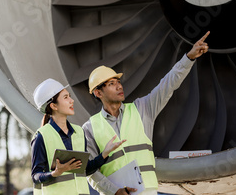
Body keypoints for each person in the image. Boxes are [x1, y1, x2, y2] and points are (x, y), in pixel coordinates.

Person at [83, 31, 210, 195]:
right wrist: (114, 191)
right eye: (111, 84)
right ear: (98, 93)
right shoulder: (90, 128)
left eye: (119, 82)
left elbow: (168, 84)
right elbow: (89, 171)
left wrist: (189, 58)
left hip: (147, 191)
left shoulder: (142, 109)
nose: (119, 86)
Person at [32, 78, 137, 195]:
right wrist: (55, 173)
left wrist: (104, 154)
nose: (72, 101)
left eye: (70, 96)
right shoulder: (41, 136)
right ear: (54, 106)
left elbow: (86, 170)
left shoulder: (79, 132)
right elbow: (36, 176)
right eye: (66, 97)